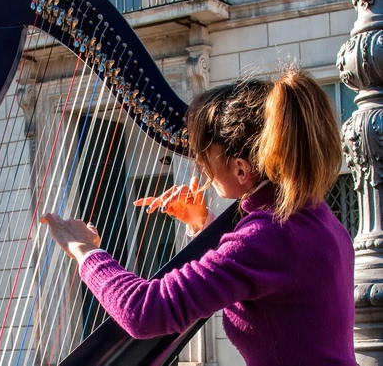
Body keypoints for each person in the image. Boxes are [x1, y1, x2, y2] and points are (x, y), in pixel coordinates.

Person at [41, 67, 357, 365]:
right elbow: (266, 280)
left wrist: (84, 250)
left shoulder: (268, 235)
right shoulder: (317, 218)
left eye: (204, 156)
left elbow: (144, 312)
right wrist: (202, 225)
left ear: (241, 169)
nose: (200, 167)